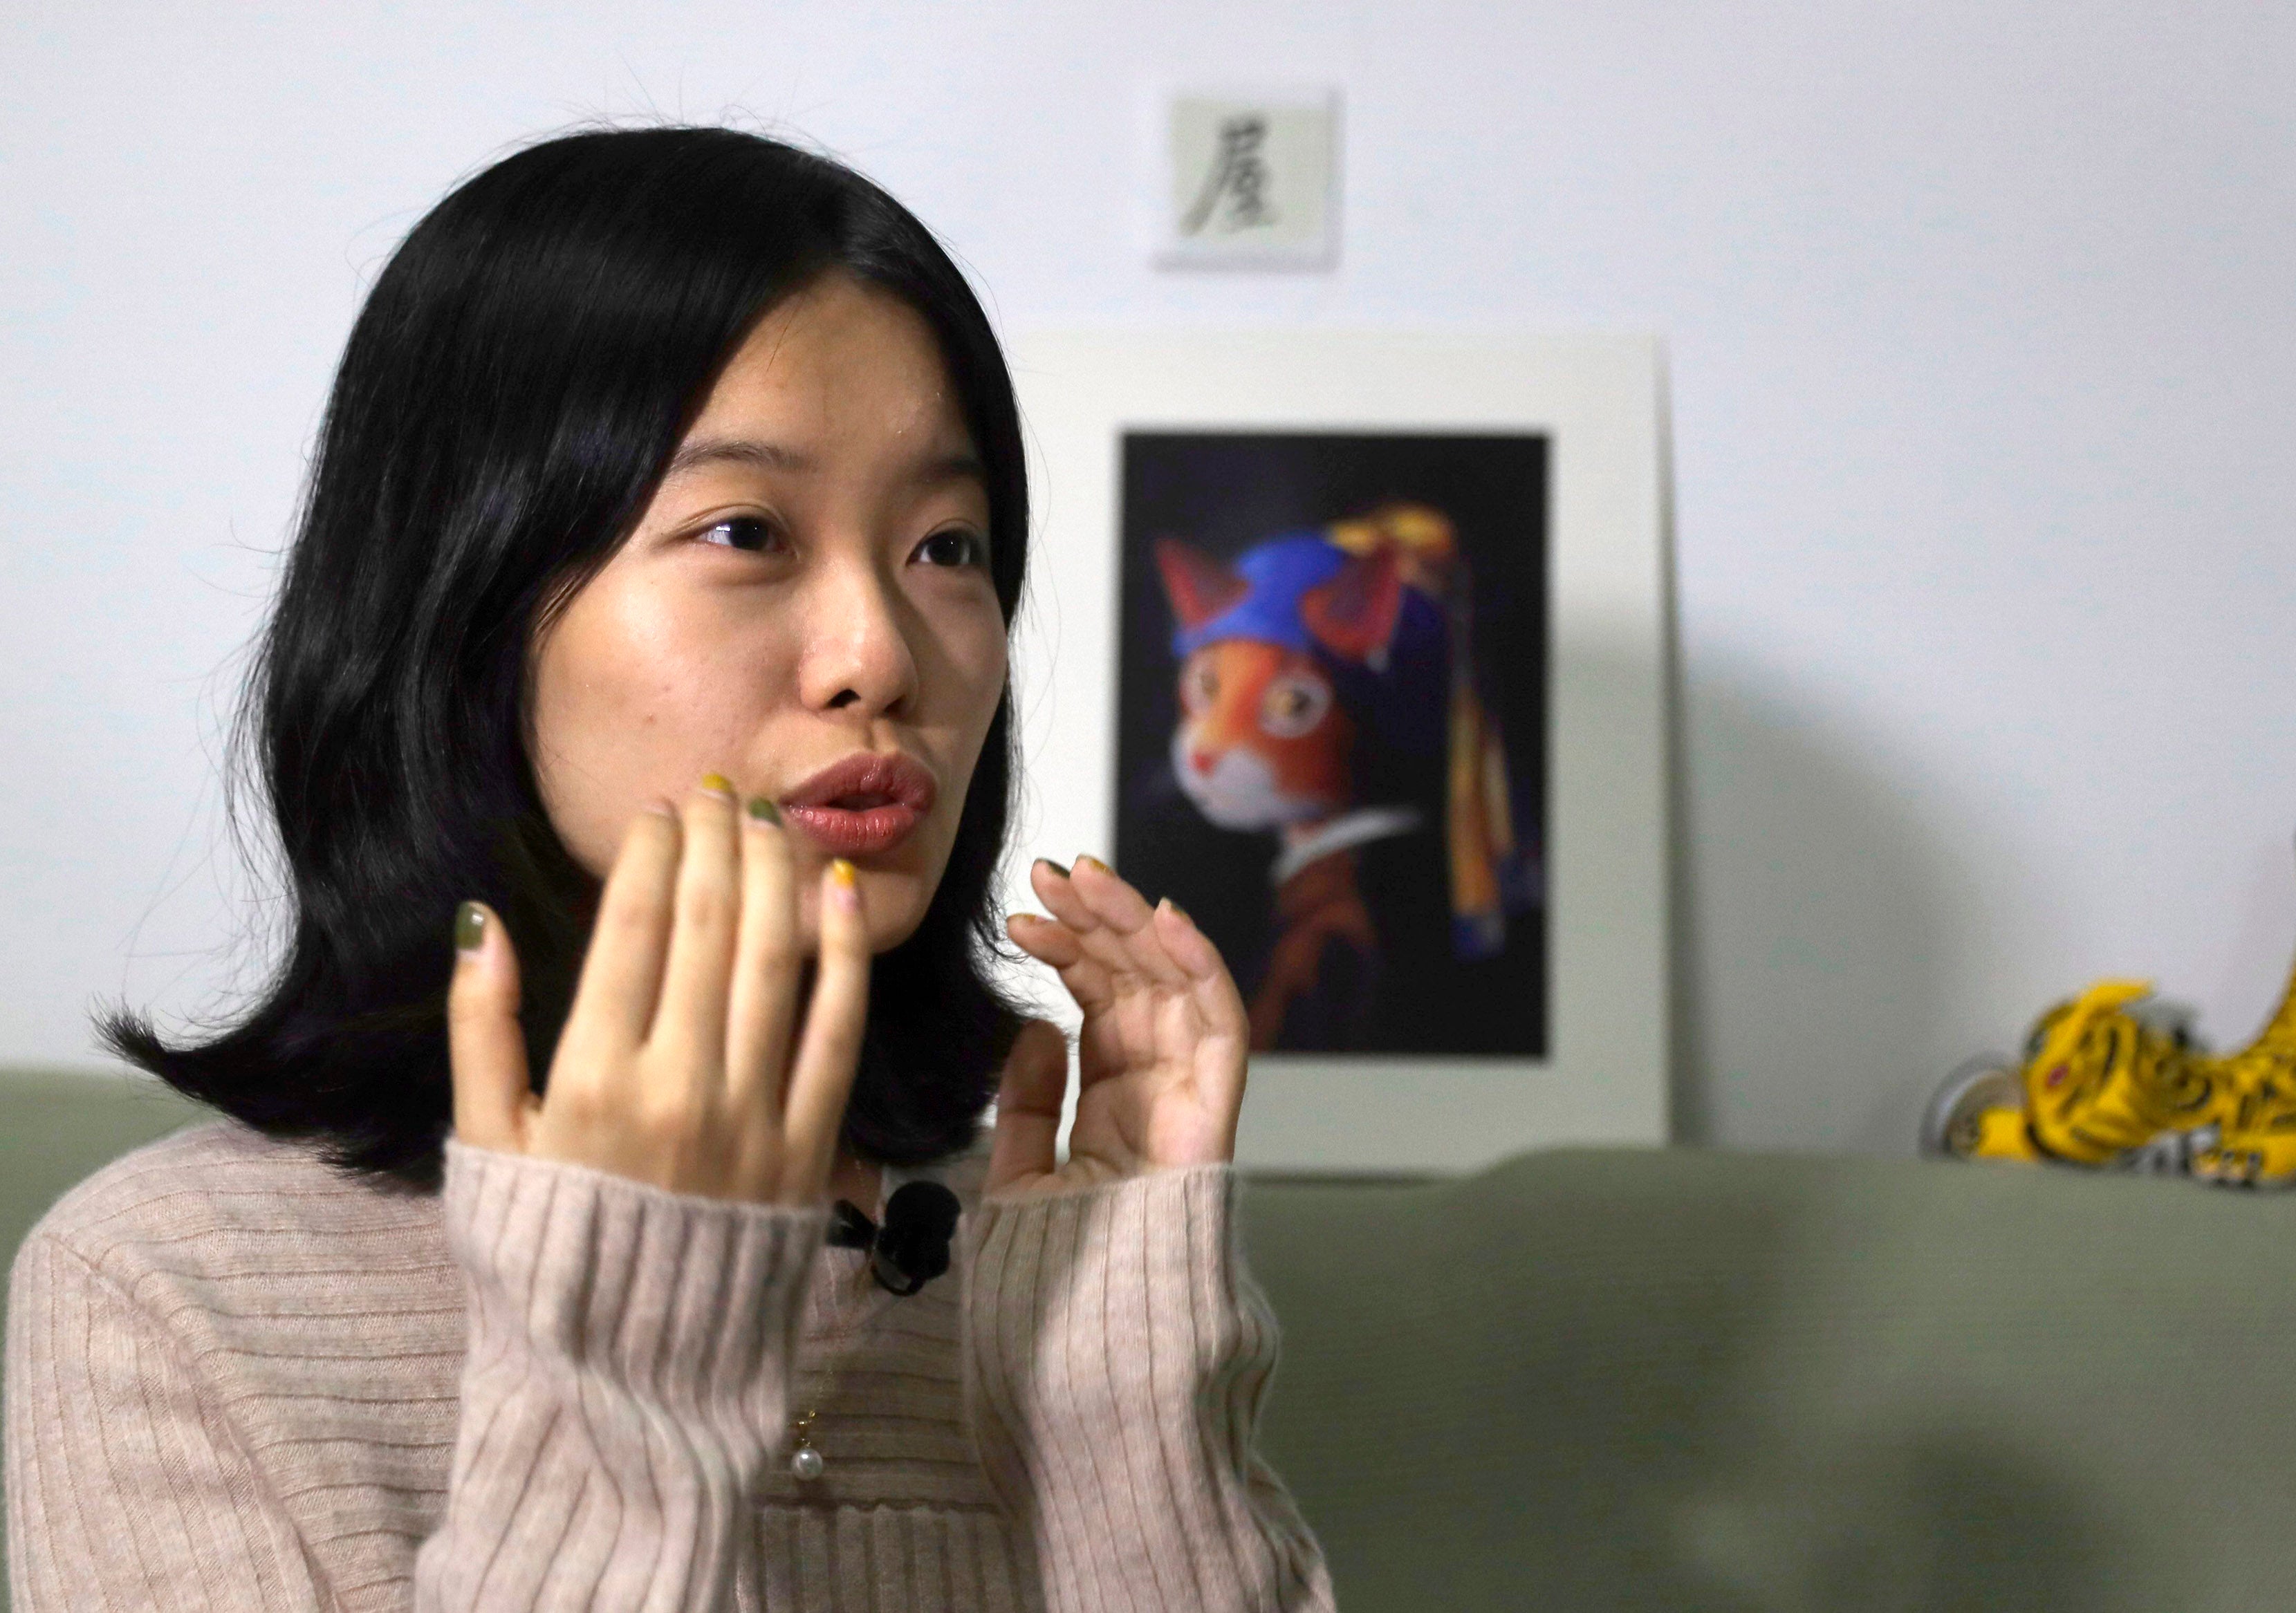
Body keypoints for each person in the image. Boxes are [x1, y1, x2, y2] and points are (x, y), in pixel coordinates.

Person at [3, 126, 1335, 1612]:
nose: (879, 656)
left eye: (947, 548)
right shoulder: (170, 1298)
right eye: (746, 531)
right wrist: (626, 1354)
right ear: (465, 610)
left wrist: (1110, 1403)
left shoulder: (1046, 1244)